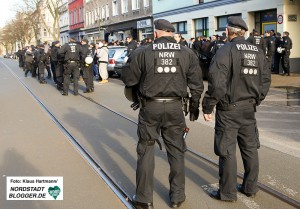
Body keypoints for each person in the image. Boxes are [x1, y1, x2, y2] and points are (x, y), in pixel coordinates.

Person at [122, 19, 204, 209]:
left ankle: (144, 199)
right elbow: (197, 83)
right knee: (176, 150)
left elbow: (128, 79)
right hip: (176, 107)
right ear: (172, 34)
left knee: (146, 149)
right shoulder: (187, 53)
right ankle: (177, 197)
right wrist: (194, 105)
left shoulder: (142, 52)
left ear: (156, 33)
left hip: (150, 107)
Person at [202, 16, 271, 202]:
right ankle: (250, 187)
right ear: (244, 32)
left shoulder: (226, 51)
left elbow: (217, 83)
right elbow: (265, 80)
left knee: (227, 151)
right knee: (250, 149)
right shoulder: (257, 51)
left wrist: (208, 106)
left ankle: (227, 193)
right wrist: (256, 100)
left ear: (227, 32)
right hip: (249, 108)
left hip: (229, 110)